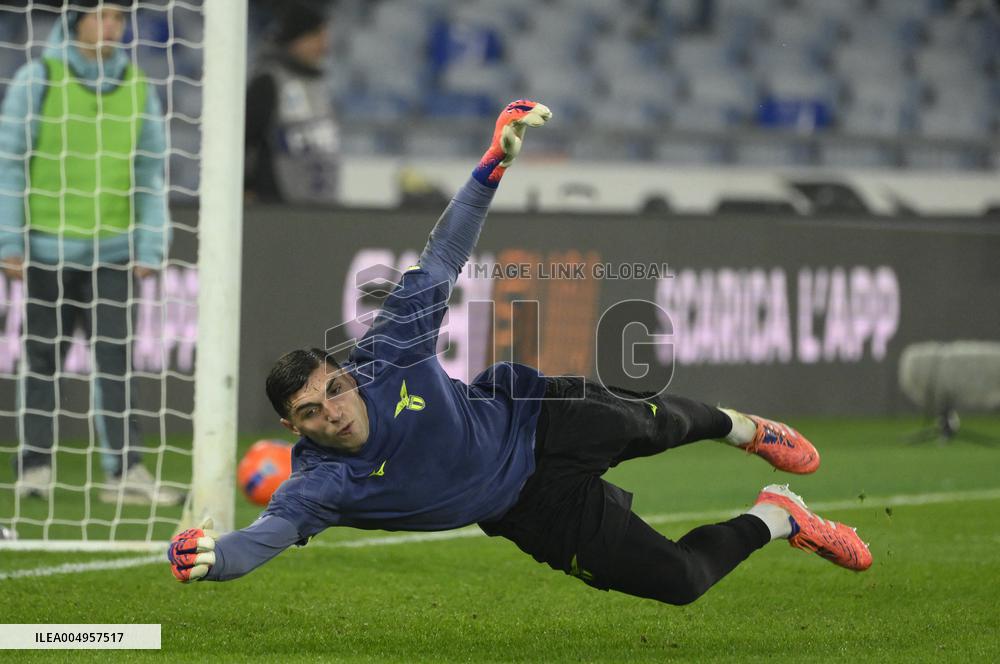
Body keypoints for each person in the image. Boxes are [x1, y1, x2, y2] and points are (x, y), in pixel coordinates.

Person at [169, 100, 872, 600]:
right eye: (311, 413)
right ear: (293, 430)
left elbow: (443, 254)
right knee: (680, 583)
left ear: (345, 373)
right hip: (527, 509)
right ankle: (781, 516)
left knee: (659, 425)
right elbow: (251, 545)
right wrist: (206, 557)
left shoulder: (389, 351)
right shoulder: (317, 486)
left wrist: (490, 165)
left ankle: (749, 429)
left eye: (333, 390)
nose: (333, 412)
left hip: (532, 416)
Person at [0, 1, 182, 506]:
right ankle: (33, 466)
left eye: (119, 19)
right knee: (40, 360)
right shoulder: (38, 79)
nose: (111, 27)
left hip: (114, 251)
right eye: (101, 16)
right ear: (73, 21)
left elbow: (150, 173)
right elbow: (9, 162)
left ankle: (126, 471)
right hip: (46, 250)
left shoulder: (139, 88)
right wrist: (9, 240)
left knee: (116, 362)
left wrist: (150, 242)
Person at [244, 2, 340, 205]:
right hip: (275, 208)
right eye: (317, 36)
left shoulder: (318, 84)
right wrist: (246, 187)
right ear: (297, 38)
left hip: (320, 209)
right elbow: (243, 140)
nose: (324, 46)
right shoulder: (269, 82)